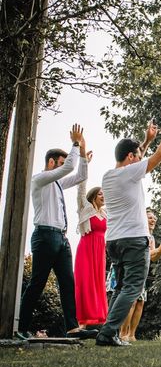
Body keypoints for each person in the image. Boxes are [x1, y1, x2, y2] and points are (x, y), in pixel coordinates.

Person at [96, 113, 161, 347]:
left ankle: (107, 330)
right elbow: (160, 155)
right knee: (133, 288)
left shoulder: (108, 175)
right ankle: (108, 332)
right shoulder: (130, 172)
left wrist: (147, 140)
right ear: (130, 157)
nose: (141, 157)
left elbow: (135, 155)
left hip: (114, 241)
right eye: (138, 155)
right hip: (133, 240)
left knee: (121, 288)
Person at [17, 124, 97, 340]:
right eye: (60, 164)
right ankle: (22, 328)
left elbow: (79, 175)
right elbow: (69, 168)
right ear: (51, 163)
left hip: (61, 239)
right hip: (44, 236)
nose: (63, 167)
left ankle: (72, 328)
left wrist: (84, 159)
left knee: (67, 283)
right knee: (37, 283)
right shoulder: (39, 180)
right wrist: (75, 144)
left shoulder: (58, 183)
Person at [119, 210, 161, 341]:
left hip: (142, 272)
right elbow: (143, 254)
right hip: (132, 270)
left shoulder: (151, 237)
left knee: (140, 302)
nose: (153, 220)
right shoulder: (139, 234)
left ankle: (132, 335)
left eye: (154, 218)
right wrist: (160, 249)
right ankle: (123, 334)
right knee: (131, 301)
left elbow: (153, 257)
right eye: (150, 218)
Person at [74, 148, 108, 328]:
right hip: (86, 249)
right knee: (85, 283)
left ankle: (99, 318)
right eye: (101, 194)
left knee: (97, 282)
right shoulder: (85, 209)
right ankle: (83, 321)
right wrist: (84, 164)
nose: (104, 196)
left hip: (100, 251)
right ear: (94, 196)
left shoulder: (105, 213)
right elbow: (81, 190)